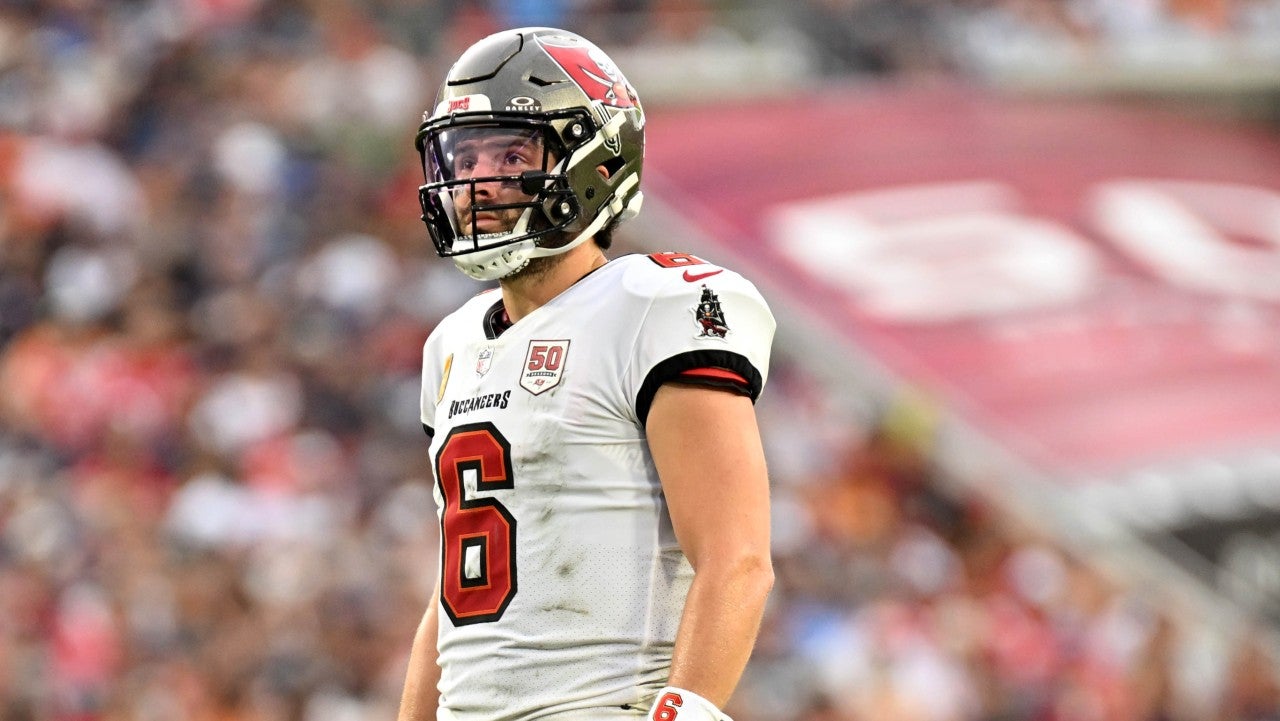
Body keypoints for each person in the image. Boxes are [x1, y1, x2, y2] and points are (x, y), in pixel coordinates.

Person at [397, 26, 776, 721]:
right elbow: (452, 603)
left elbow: (738, 558)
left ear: (593, 162)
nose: (477, 180)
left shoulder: (655, 306)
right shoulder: (451, 345)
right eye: (465, 153)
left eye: (511, 153)